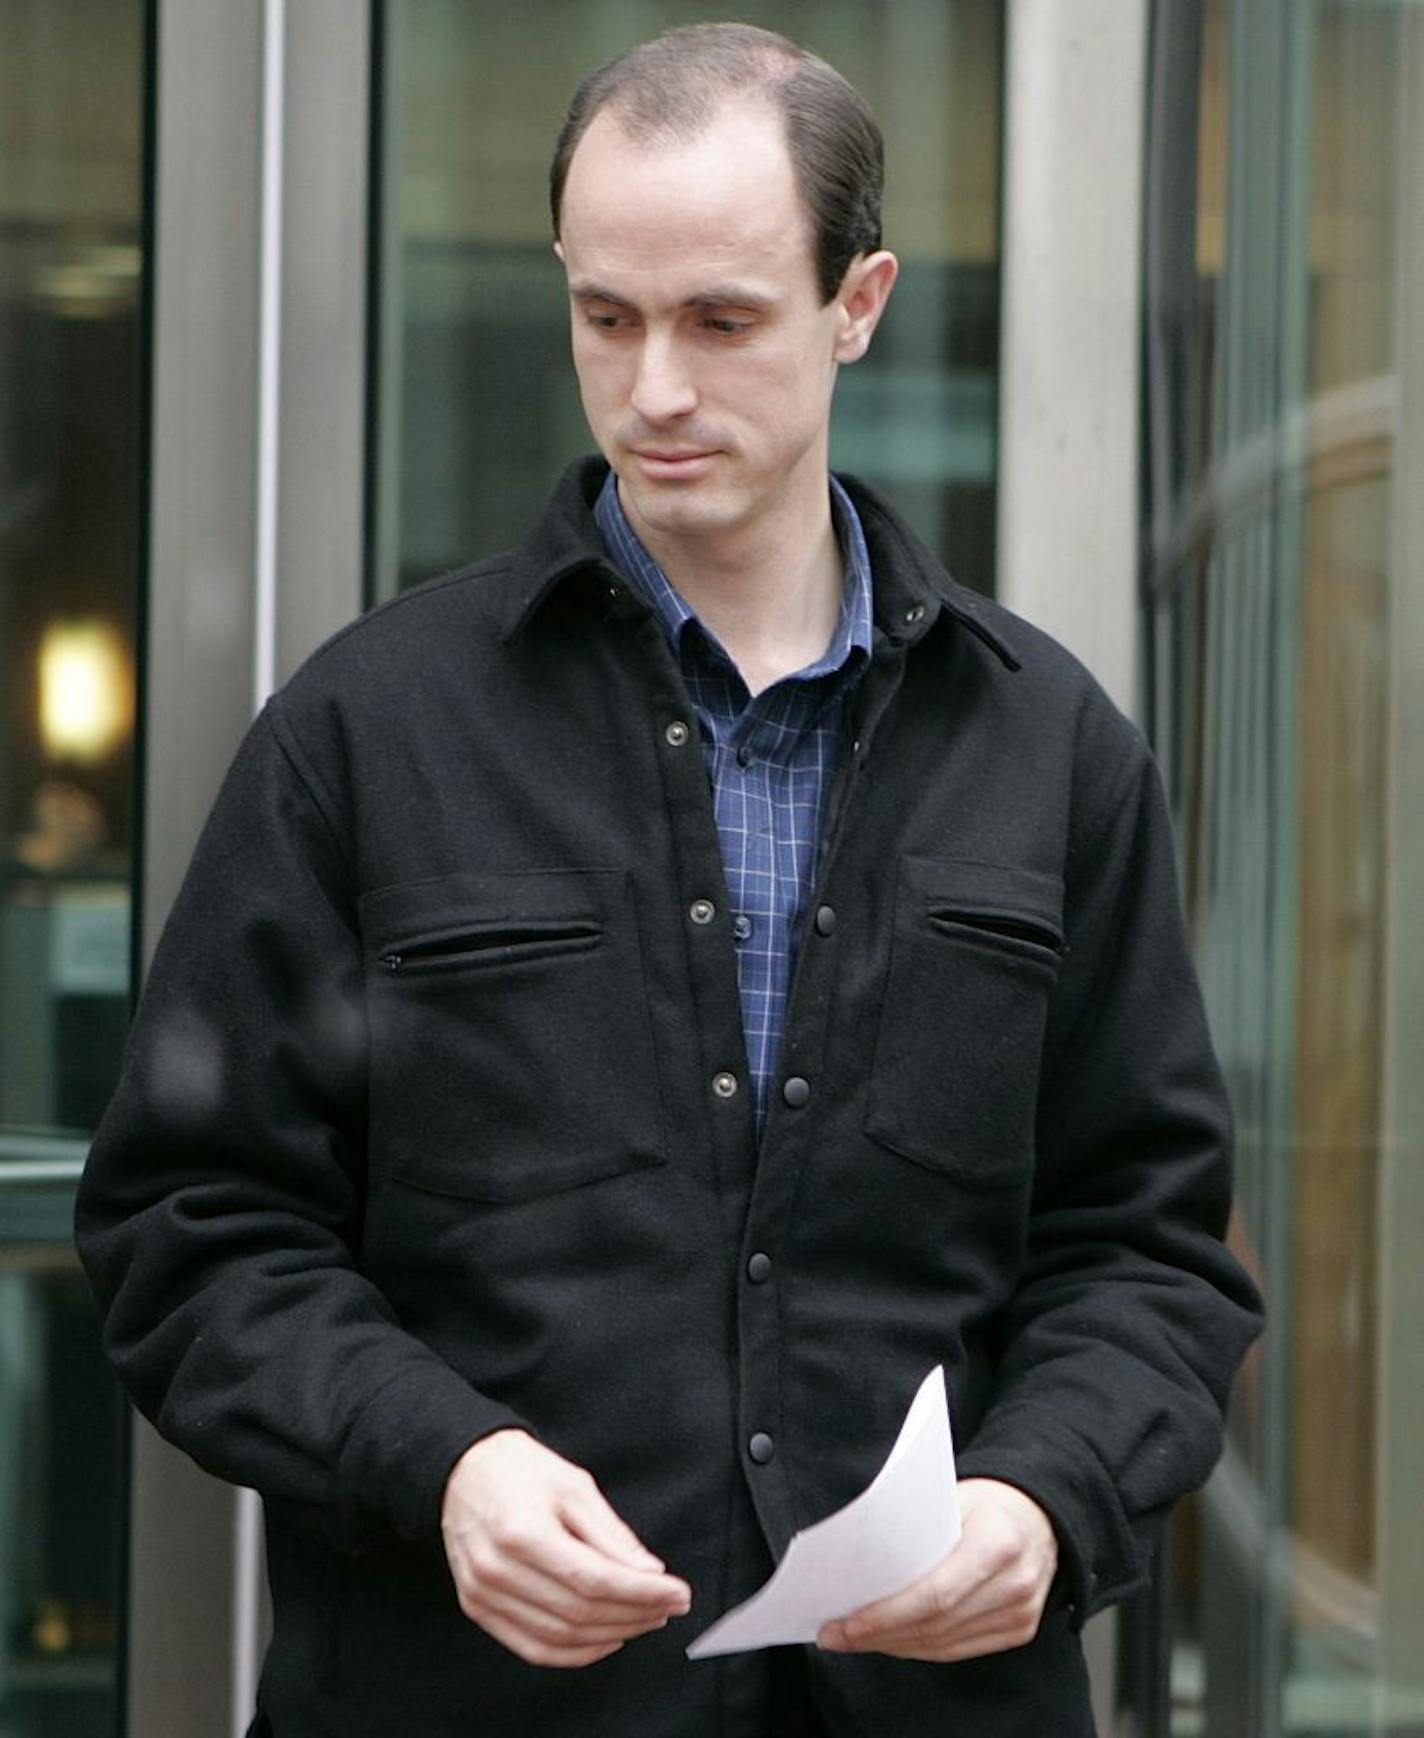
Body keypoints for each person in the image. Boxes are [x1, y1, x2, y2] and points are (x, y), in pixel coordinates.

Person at [76, 22, 1263, 1738]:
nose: (653, 389)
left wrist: (1043, 1498)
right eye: (604, 317)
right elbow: (192, 1228)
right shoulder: (366, 728)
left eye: (721, 319)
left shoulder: (1052, 749)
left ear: (858, 304)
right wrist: (449, 1463)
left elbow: (1147, 1251)